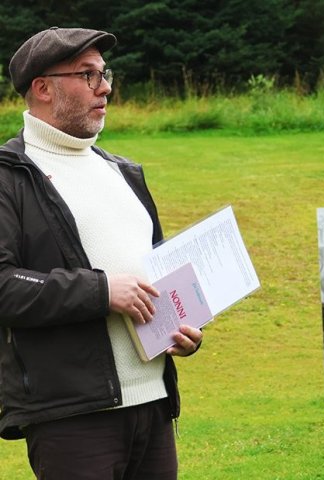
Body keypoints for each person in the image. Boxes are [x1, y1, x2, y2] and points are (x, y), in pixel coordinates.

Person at [0, 27, 203, 480]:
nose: (106, 86)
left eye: (104, 73)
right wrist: (101, 290)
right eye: (88, 76)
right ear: (43, 88)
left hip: (153, 402)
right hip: (72, 417)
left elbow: (157, 271)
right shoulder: (9, 177)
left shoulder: (123, 172)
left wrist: (185, 327)